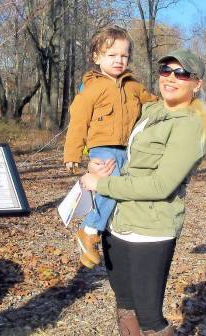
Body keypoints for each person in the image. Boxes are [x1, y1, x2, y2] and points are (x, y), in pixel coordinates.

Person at [80, 48, 206, 336]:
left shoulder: (189, 125)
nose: (171, 77)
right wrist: (100, 164)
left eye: (182, 74)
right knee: (125, 305)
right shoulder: (153, 110)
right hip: (121, 221)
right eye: (166, 70)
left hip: (151, 229)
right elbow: (127, 155)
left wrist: (103, 184)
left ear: (197, 84)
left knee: (150, 314)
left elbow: (160, 183)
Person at [63, 25, 156, 269]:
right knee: (109, 184)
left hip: (128, 150)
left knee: (128, 191)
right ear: (97, 57)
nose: (119, 60)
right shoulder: (92, 88)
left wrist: (179, 104)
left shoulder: (134, 86)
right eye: (111, 55)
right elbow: (78, 122)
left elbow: (154, 105)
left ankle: (114, 237)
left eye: (124, 55)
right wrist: (73, 155)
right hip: (103, 149)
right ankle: (89, 230)